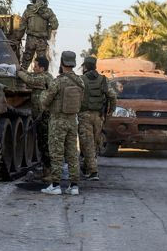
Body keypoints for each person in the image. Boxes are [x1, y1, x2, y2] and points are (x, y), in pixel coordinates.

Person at [40, 51, 85, 195]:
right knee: (72, 153)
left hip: (57, 121)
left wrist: (42, 95)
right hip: (73, 120)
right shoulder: (80, 81)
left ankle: (55, 185)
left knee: (57, 153)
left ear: (62, 63)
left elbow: (45, 101)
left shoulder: (58, 81)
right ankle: (74, 186)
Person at [78, 57, 117, 181]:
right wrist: (111, 111)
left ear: (85, 67)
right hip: (99, 117)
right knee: (94, 143)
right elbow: (112, 96)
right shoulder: (103, 80)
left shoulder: (81, 80)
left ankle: (93, 172)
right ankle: (87, 168)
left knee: (87, 143)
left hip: (84, 116)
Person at [17, 56, 54, 182]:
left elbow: (29, 80)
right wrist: (23, 70)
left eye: (36, 66)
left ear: (42, 68)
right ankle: (46, 171)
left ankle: (50, 172)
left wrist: (18, 71)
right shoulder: (42, 76)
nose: (34, 67)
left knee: (46, 145)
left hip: (45, 118)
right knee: (42, 144)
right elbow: (31, 75)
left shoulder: (45, 77)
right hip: (40, 117)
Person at [19, 0, 59, 70]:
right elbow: (55, 25)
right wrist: (48, 28)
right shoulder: (48, 11)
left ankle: (22, 80)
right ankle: (41, 81)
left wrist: (18, 38)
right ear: (44, 0)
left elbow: (22, 27)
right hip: (42, 41)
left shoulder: (28, 10)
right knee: (41, 64)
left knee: (25, 63)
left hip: (30, 39)